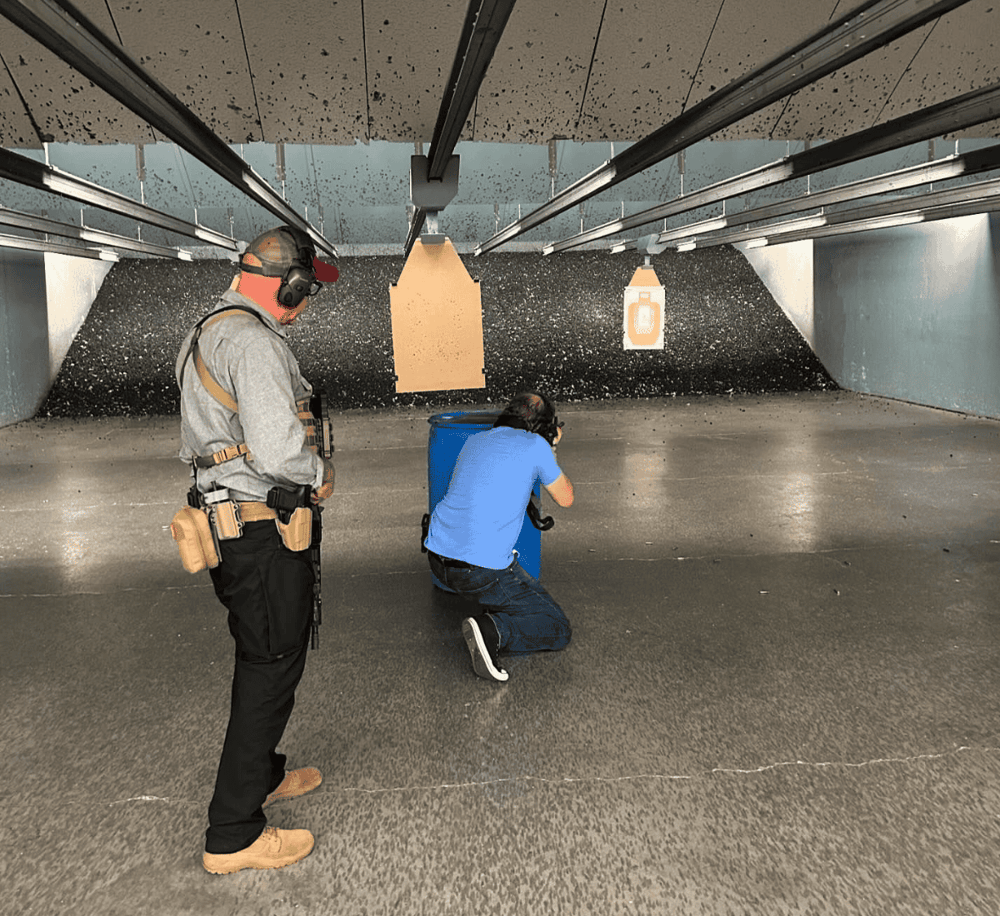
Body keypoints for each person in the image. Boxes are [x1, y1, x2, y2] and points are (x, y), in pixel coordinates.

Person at [174, 225, 339, 874]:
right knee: (270, 664)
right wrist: (318, 474)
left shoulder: (206, 331)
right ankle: (233, 834)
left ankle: (263, 775)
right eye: (305, 292)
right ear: (288, 286)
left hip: (229, 525)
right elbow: (277, 453)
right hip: (260, 531)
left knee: (264, 651)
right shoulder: (255, 344)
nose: (304, 305)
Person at [424, 391, 575, 682]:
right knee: (556, 625)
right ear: (541, 427)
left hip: (438, 560)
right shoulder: (536, 446)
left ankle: (493, 608)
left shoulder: (476, 440)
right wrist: (552, 447)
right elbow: (566, 498)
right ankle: (492, 630)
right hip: (479, 573)